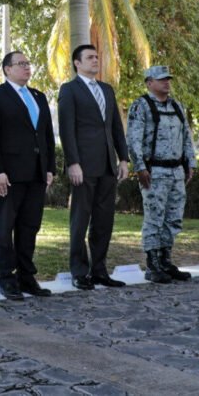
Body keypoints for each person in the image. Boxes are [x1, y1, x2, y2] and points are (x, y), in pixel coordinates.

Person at [0, 51, 56, 301]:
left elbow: (46, 136)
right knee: (5, 226)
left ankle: (26, 276)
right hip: (8, 175)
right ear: (7, 69)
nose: (26, 67)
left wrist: (49, 168)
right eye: (20, 64)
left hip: (36, 173)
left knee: (29, 226)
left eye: (28, 63)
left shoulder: (38, 96)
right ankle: (7, 278)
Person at [57, 44, 130, 291]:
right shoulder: (69, 90)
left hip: (108, 165)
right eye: (90, 57)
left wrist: (123, 159)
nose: (95, 60)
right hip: (83, 166)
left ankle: (99, 271)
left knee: (103, 221)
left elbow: (116, 127)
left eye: (97, 57)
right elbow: (66, 129)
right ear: (77, 63)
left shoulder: (107, 90)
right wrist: (73, 163)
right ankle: (79, 272)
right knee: (80, 221)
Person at [126, 65, 196, 284]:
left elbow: (187, 136)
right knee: (154, 218)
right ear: (149, 83)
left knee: (173, 218)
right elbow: (134, 139)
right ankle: (152, 264)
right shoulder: (141, 106)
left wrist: (190, 163)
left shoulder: (176, 106)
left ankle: (165, 261)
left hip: (176, 172)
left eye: (168, 79)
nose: (167, 82)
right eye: (161, 79)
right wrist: (140, 167)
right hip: (154, 171)